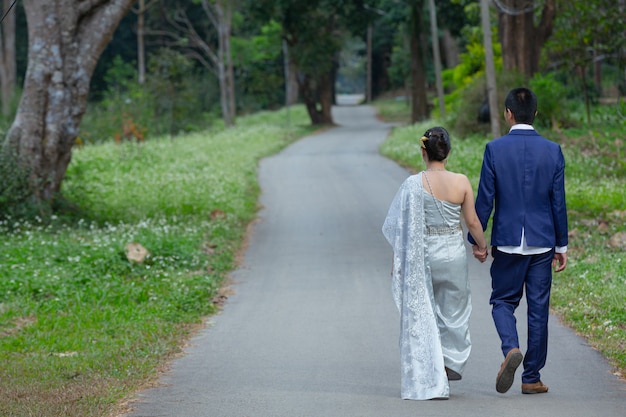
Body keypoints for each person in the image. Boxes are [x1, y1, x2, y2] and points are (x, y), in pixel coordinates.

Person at [468, 87, 568, 395]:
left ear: (508, 113)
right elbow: (557, 201)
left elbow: (485, 199)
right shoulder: (552, 150)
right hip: (542, 242)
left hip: (508, 240)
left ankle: (510, 348)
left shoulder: (494, 149)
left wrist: (477, 241)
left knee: (502, 301)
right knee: (538, 310)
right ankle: (531, 377)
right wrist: (561, 245)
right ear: (535, 114)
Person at [382, 126, 488, 400]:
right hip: (452, 253)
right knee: (454, 311)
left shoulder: (411, 184)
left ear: (423, 152)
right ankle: (448, 362)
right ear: (448, 152)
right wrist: (482, 246)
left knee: (425, 313)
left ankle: (431, 370)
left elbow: (401, 229)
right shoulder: (461, 181)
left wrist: (399, 261)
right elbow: (473, 221)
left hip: (424, 255)